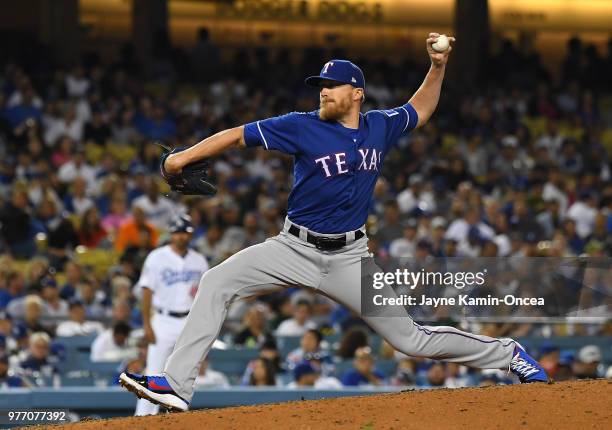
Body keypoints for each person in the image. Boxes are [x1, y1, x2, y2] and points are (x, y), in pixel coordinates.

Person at [120, 35, 548, 412]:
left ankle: (507, 354)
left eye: (330, 86)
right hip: (292, 249)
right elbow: (237, 134)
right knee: (216, 282)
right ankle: (176, 385)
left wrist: (437, 67)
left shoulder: (379, 126)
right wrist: (182, 157)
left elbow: (419, 109)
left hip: (350, 258)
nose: (322, 92)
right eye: (319, 86)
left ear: (356, 93)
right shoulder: (300, 126)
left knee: (411, 340)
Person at [133, 214, 209, 416]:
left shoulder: (199, 260)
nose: (182, 237)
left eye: (185, 233)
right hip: (163, 320)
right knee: (154, 371)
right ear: (171, 234)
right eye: (178, 233)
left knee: (184, 373)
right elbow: (146, 291)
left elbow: (204, 293)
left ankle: (176, 416)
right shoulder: (156, 257)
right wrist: (147, 324)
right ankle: (143, 418)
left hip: (188, 320)